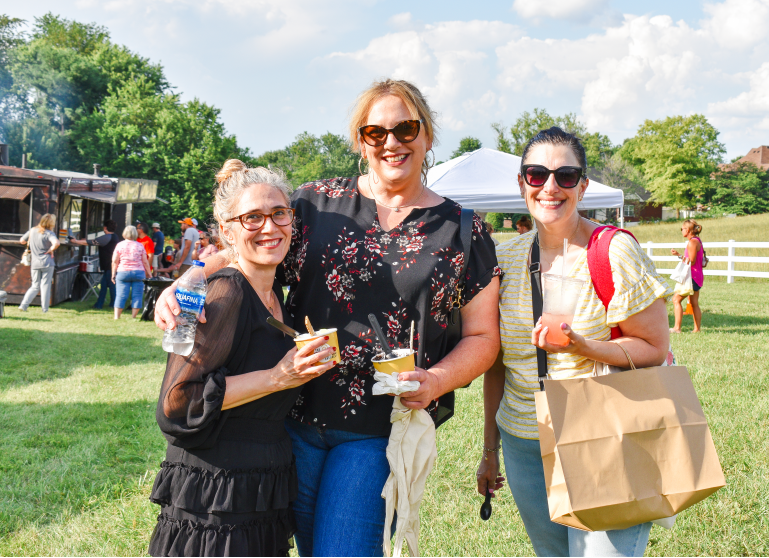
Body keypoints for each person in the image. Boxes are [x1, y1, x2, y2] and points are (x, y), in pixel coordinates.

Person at [156, 79, 501, 557]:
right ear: (361, 142)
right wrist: (187, 278)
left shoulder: (463, 229)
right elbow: (252, 239)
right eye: (375, 132)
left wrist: (437, 380)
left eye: (405, 128)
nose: (392, 143)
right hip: (287, 419)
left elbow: (484, 336)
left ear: (427, 134)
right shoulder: (315, 204)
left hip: (376, 426)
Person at [477, 127, 671, 558]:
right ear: (522, 183)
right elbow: (497, 365)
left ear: (582, 186)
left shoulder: (612, 250)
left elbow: (654, 347)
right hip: (523, 440)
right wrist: (490, 449)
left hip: (602, 436)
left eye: (565, 176)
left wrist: (582, 346)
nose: (550, 187)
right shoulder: (506, 258)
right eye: (536, 175)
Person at [148, 161, 334, 558]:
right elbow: (177, 404)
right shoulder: (225, 293)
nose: (269, 228)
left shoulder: (277, 295)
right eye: (252, 218)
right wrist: (277, 377)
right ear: (227, 231)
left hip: (261, 487)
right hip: (216, 498)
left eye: (279, 214)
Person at [71, 219, 119, 309]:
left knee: (111, 286)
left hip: (109, 265)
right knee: (104, 286)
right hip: (110, 265)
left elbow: (92, 242)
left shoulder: (107, 237)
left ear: (105, 228)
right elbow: (92, 241)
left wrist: (76, 241)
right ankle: (99, 304)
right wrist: (84, 241)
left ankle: (114, 304)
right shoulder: (114, 236)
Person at [19, 214, 60, 313]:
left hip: (35, 263)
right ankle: (45, 309)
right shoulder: (49, 233)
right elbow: (57, 243)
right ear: (52, 223)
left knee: (35, 286)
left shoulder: (32, 230)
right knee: (45, 285)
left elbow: (21, 241)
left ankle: (23, 306)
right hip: (47, 262)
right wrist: (51, 249)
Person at [670, 219, 704, 333]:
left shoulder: (692, 242)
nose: (681, 231)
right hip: (697, 277)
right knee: (694, 304)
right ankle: (697, 329)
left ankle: (677, 328)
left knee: (676, 300)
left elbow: (692, 261)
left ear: (688, 230)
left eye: (682, 229)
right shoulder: (697, 241)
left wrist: (679, 255)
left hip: (691, 277)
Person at [112, 225, 152, 319]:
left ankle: (117, 317)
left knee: (121, 295)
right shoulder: (140, 245)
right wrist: (149, 273)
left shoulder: (119, 245)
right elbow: (145, 261)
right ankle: (133, 317)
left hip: (123, 272)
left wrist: (113, 274)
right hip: (138, 272)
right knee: (137, 295)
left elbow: (115, 261)